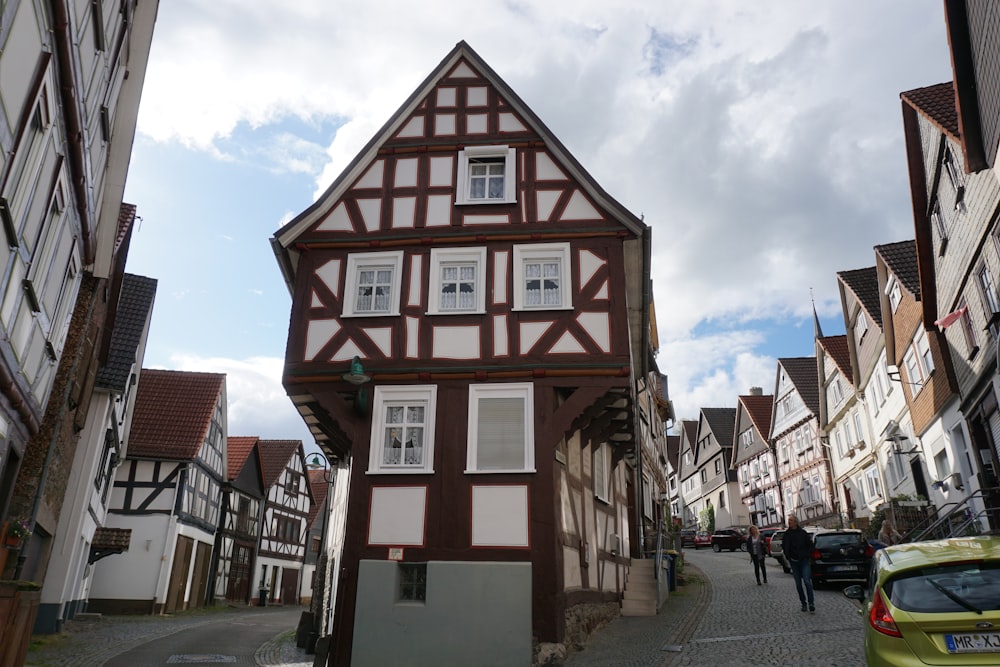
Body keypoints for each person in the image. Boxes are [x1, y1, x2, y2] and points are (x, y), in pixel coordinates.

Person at [781, 514, 815, 612]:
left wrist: (807, 555)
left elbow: (810, 545)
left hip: (804, 561)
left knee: (807, 582)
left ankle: (811, 603)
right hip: (794, 562)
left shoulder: (803, 533)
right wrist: (788, 556)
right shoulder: (787, 534)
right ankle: (803, 603)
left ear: (795, 522)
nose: (789, 522)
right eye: (788, 520)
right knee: (798, 584)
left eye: (791, 520)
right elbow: (784, 546)